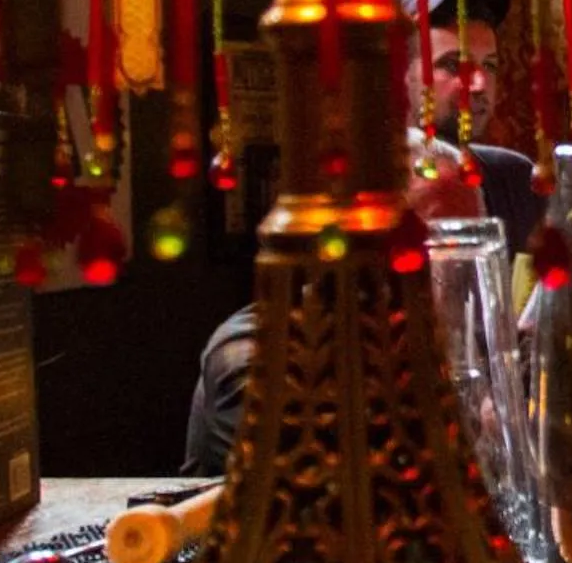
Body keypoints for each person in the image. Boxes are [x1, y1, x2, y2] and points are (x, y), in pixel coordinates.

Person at [183, 132, 488, 475]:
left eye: (467, 244)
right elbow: (327, 484)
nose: (454, 267)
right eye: (432, 240)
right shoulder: (256, 350)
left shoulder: (463, 343)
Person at [409, 0, 541, 255]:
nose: (479, 84)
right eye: (454, 65)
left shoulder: (515, 180)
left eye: (489, 66)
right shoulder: (373, 198)